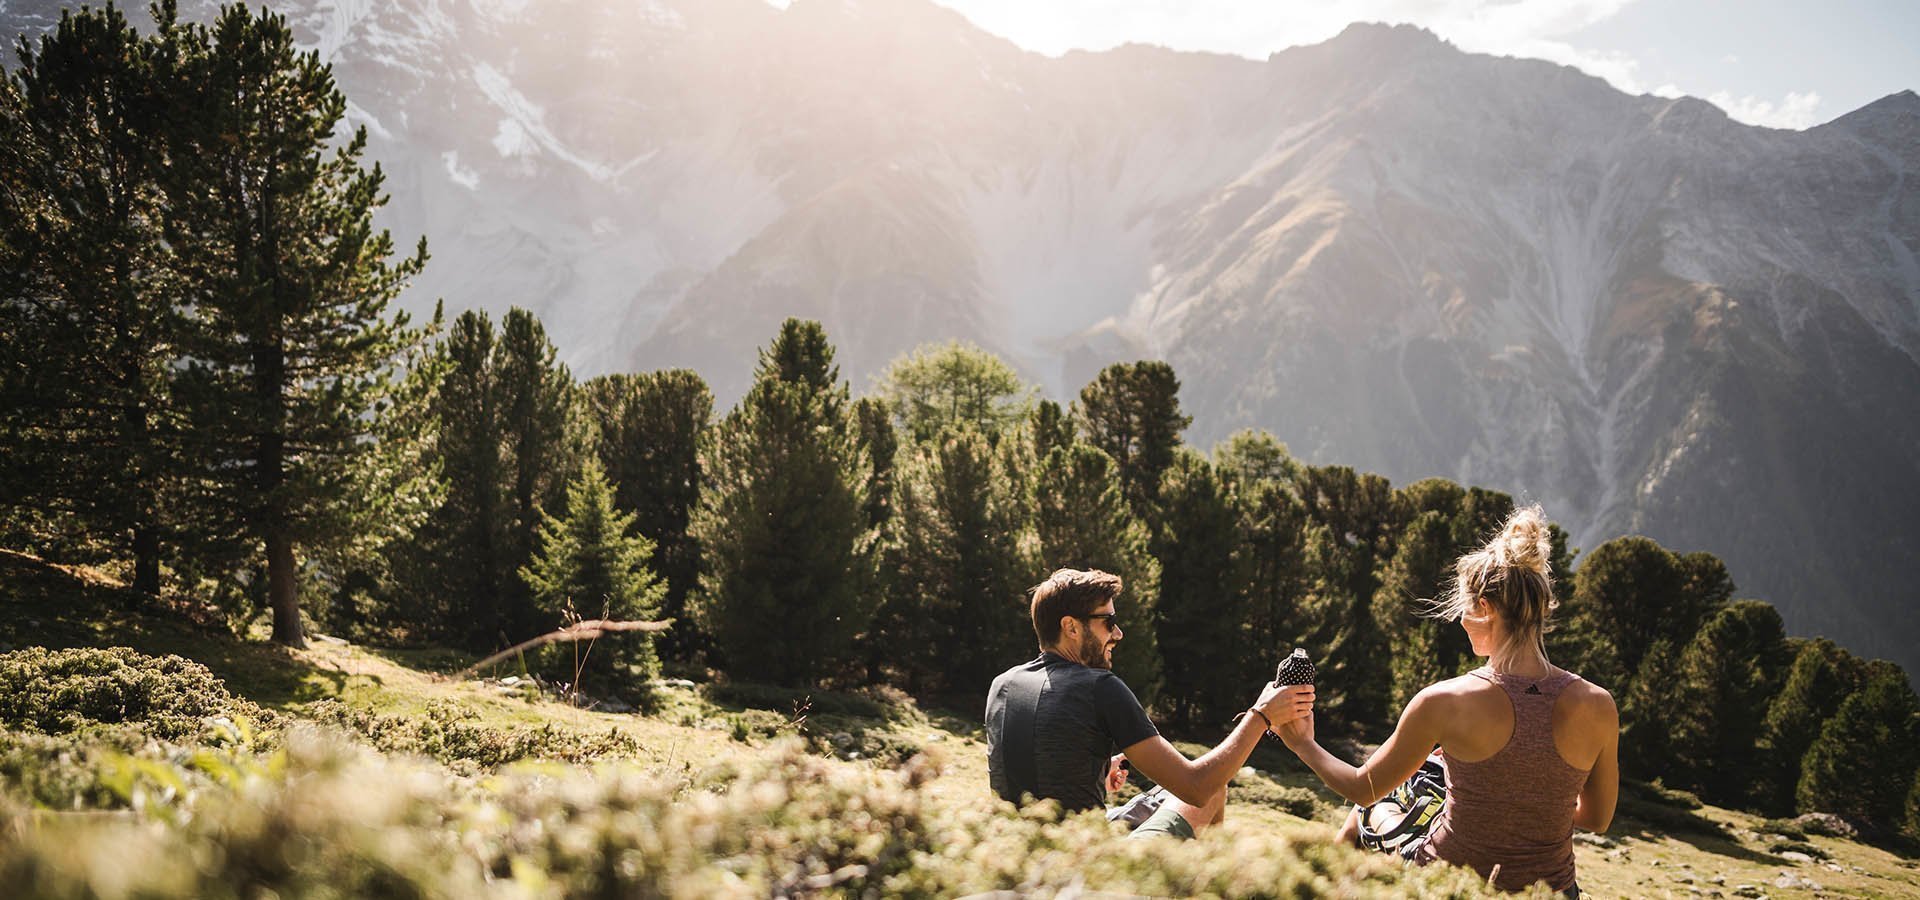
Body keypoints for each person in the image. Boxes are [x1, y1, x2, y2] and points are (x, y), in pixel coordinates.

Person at [1276, 506, 1618, 896]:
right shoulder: (1599, 704)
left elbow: (1361, 786)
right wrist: (1528, 799)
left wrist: (1301, 743)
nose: (1460, 621)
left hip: (1449, 887)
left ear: (1486, 609)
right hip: (1553, 893)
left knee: (1370, 809)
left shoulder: (1445, 701)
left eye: (1465, 610)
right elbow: (1597, 818)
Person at [985, 567, 1314, 839]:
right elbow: (1196, 787)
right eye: (1108, 623)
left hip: (1020, 855)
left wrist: (1093, 773)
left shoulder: (1003, 685)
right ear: (1071, 627)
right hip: (1085, 865)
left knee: (1161, 798)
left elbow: (1030, 770)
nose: (1118, 634)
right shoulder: (1100, 687)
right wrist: (1261, 715)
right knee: (1213, 789)